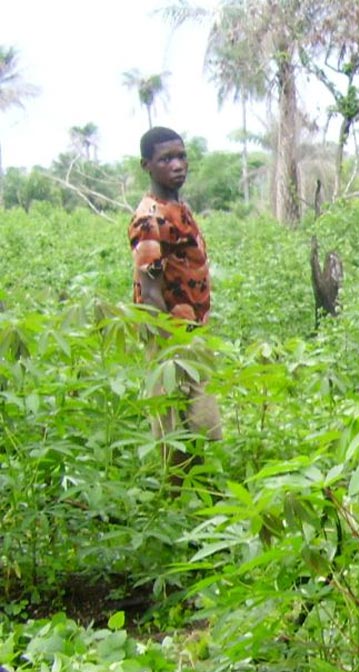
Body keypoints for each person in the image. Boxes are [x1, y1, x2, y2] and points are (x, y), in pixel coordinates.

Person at [128, 126, 222, 449]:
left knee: (205, 428)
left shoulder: (180, 210)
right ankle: (174, 497)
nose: (177, 164)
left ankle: (198, 495)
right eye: (166, 159)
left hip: (192, 333)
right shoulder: (149, 219)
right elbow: (150, 296)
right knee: (175, 433)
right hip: (171, 339)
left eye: (181, 156)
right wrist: (174, 355)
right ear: (147, 166)